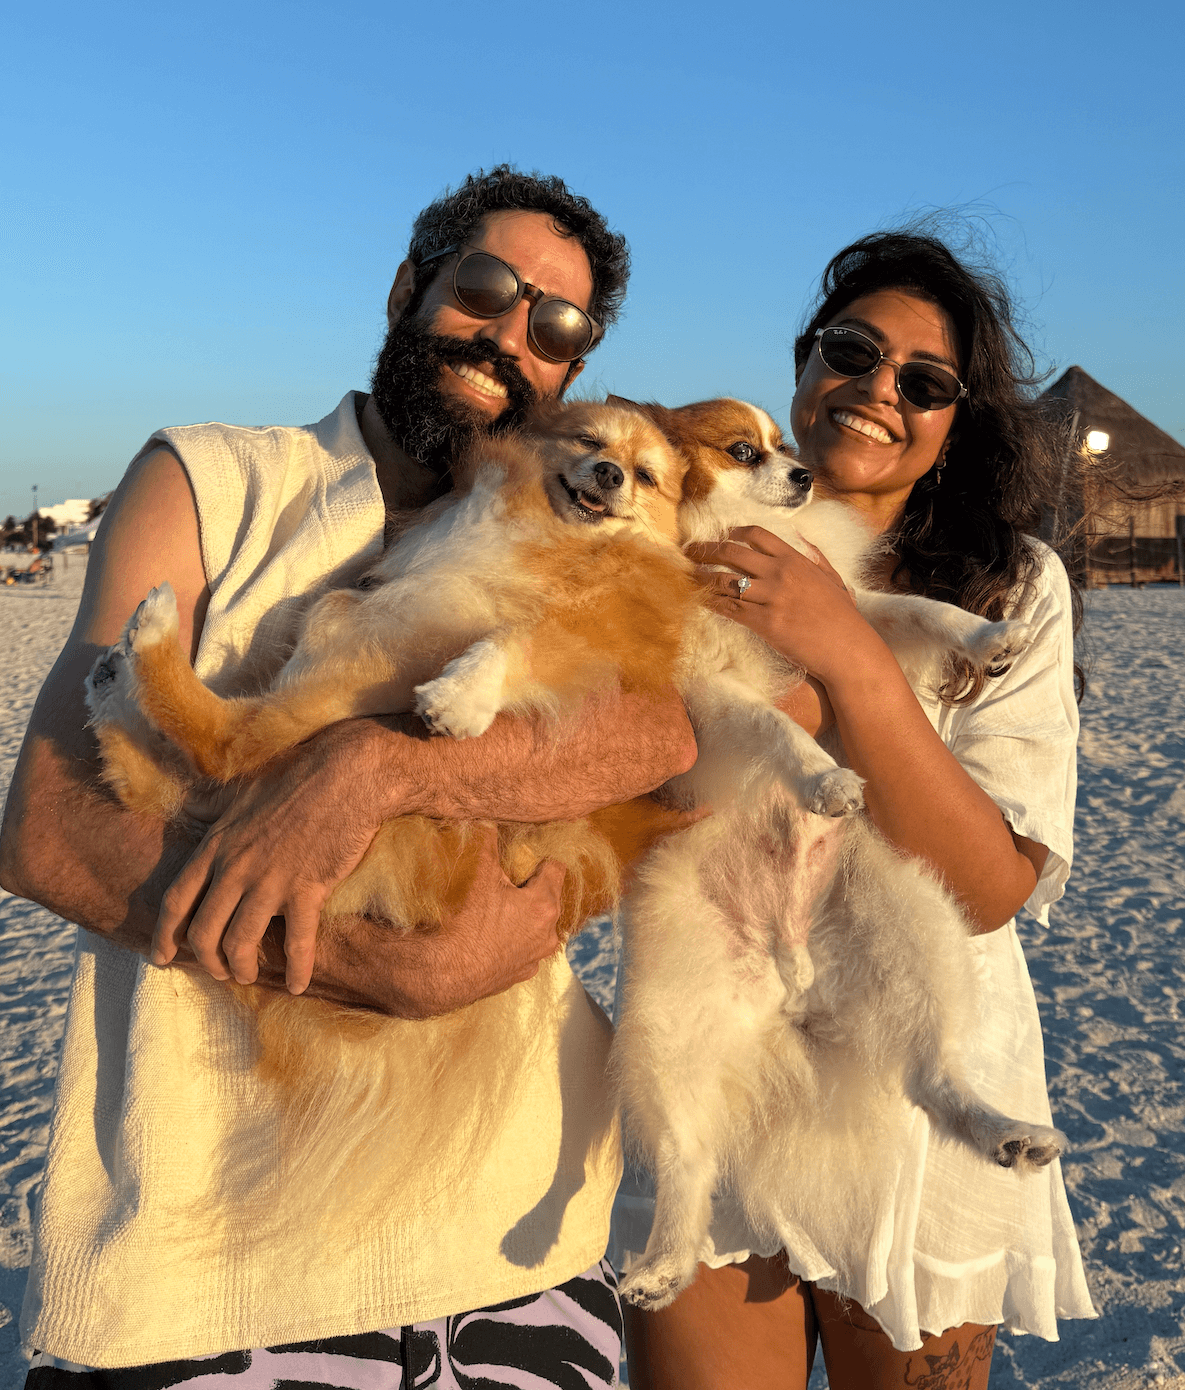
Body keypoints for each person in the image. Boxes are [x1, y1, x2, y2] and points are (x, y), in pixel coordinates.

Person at [0, 165, 697, 1388]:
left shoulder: (592, 521)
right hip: (210, 1256)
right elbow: (52, 831)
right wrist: (397, 967)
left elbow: (662, 738)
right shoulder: (214, 479)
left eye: (558, 327)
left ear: (571, 376)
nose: (508, 337)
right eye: (483, 288)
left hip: (516, 1231)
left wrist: (368, 766)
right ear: (406, 288)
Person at [617, 228, 1098, 1389]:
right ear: (804, 362)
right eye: (854, 349)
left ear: (955, 420)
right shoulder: (667, 533)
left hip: (913, 1066)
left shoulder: (1011, 584)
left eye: (924, 383)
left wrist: (849, 659)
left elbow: (991, 887)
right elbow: (632, 781)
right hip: (718, 1040)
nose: (880, 389)